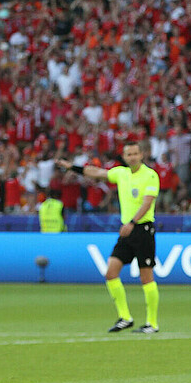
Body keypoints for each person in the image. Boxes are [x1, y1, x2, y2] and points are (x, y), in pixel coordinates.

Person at [57, 142, 160, 333]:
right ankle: (125, 317)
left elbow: (148, 203)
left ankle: (152, 323)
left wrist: (132, 222)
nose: (132, 157)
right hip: (127, 230)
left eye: (135, 154)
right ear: (124, 156)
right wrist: (73, 167)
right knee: (111, 272)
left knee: (146, 277)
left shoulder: (150, 175)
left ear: (141, 155)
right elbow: (96, 173)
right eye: (129, 154)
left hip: (142, 229)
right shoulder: (121, 173)